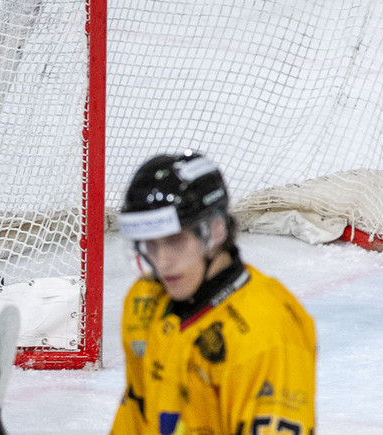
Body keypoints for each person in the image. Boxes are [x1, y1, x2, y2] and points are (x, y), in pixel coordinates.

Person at [111, 151, 316, 434]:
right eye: (150, 245)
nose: (162, 262)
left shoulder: (267, 330)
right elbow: (135, 416)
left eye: (174, 241)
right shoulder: (143, 301)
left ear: (216, 230)